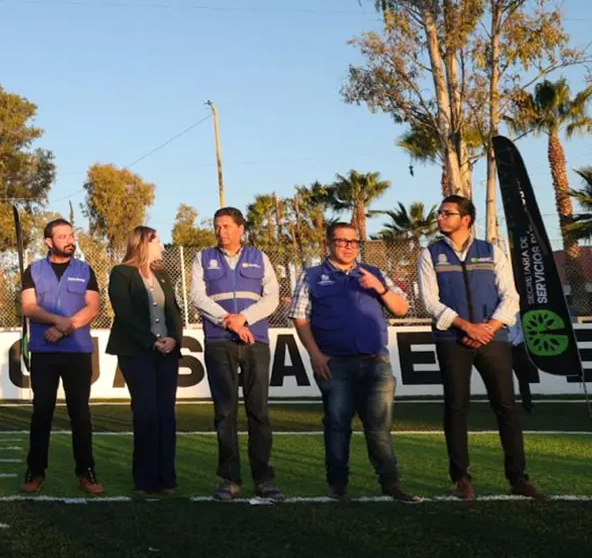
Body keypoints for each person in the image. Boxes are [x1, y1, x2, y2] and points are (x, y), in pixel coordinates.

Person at [417, 195, 547, 501]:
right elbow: (430, 302)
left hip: (493, 339)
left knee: (506, 407)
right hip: (453, 340)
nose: (440, 218)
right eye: (439, 212)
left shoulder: (491, 251)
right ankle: (461, 478)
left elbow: (510, 296)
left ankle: (518, 478)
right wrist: (466, 326)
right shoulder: (430, 253)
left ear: (466, 219)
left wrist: (488, 328)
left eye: (447, 213)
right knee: (456, 407)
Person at [290, 222, 420, 503]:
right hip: (335, 364)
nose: (348, 246)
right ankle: (337, 485)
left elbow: (401, 308)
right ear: (328, 243)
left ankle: (391, 484)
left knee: (379, 427)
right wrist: (314, 354)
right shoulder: (312, 276)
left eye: (353, 241)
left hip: (376, 363)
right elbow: (300, 318)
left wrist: (380, 289)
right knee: (337, 425)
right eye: (341, 241)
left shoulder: (373, 273)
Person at [190, 207, 283, 501]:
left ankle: (264, 479)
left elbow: (272, 297)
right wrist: (227, 320)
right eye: (217, 227)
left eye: (227, 226)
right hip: (219, 341)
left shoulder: (260, 258)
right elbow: (197, 297)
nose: (221, 232)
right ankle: (229, 480)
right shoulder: (202, 258)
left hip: (255, 341)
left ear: (241, 228)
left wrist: (243, 318)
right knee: (225, 412)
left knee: (259, 412)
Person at [18, 218, 103, 495]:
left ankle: (86, 471)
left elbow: (92, 307)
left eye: (71, 235)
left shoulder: (84, 270)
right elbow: (29, 307)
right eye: (62, 236)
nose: (69, 240)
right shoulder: (33, 271)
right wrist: (59, 322)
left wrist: (66, 329)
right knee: (42, 413)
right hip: (44, 352)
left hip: (77, 350)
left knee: (80, 414)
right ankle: (35, 470)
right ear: (48, 241)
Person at [106, 226, 184, 497]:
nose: (162, 246)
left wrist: (174, 338)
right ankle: (144, 479)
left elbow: (174, 311)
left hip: (167, 353)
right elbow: (124, 315)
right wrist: (151, 341)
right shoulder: (121, 273)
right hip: (136, 352)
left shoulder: (162, 275)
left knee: (166, 414)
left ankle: (167, 478)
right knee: (146, 413)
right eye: (157, 241)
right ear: (142, 244)